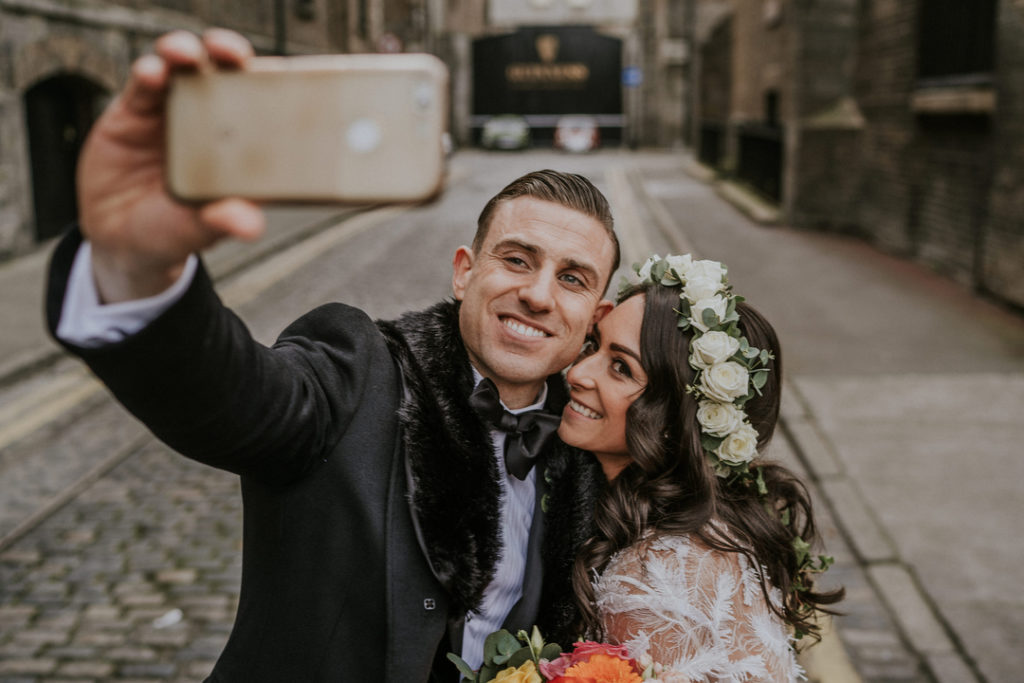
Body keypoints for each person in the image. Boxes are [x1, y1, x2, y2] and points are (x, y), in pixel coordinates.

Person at [44, 29, 618, 681]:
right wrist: (135, 261)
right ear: (464, 272)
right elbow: (228, 395)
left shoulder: (591, 438)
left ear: (594, 314)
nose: (538, 294)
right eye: (516, 259)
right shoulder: (358, 372)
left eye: (572, 277)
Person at [556, 254, 843, 681]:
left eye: (621, 367)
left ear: (675, 420)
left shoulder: (652, 578)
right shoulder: (700, 530)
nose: (577, 372)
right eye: (593, 345)